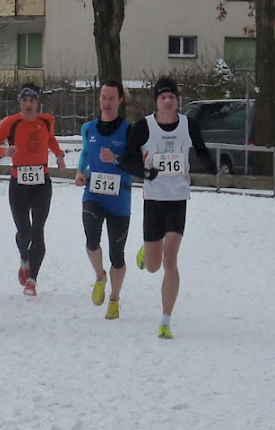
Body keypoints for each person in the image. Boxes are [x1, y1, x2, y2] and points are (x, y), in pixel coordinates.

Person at [117, 76, 217, 339]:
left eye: (172, 96)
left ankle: (165, 320)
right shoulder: (144, 127)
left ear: (177, 100)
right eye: (163, 97)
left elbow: (202, 149)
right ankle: (147, 251)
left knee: (170, 259)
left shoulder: (188, 125)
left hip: (178, 199)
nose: (168, 100)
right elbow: (126, 161)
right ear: (156, 102)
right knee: (153, 266)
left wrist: (210, 166)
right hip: (154, 201)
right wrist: (145, 172)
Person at [0, 83, 66, 297]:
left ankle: (32, 279)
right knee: (24, 231)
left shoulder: (47, 120)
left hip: (42, 183)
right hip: (18, 184)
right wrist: (5, 150)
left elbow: (50, 139)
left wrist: (58, 155)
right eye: (25, 101)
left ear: (37, 103)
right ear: (20, 102)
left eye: (32, 101)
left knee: (38, 229)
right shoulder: (10, 123)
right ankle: (24, 258)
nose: (29, 105)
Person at [75, 80, 132, 320]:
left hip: (120, 198)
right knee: (91, 237)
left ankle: (115, 298)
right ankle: (100, 275)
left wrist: (116, 159)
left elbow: (137, 163)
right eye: (103, 97)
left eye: (111, 98)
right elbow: (86, 153)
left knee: (117, 255)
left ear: (120, 100)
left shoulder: (129, 130)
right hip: (94, 193)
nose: (106, 103)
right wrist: (80, 172)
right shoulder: (89, 128)